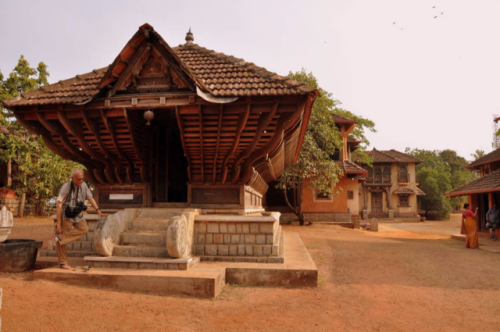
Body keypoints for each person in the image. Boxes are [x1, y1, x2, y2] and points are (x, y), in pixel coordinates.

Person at [55, 169, 102, 269]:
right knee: (63, 232)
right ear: (72, 178)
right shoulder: (66, 187)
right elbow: (59, 205)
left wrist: (97, 210)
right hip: (66, 213)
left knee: (84, 229)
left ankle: (60, 238)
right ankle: (63, 263)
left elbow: (90, 197)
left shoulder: (84, 185)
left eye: (82, 178)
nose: (81, 181)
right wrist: (58, 223)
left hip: (77, 212)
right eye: (79, 179)